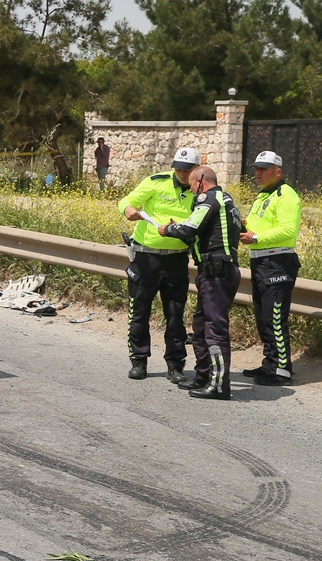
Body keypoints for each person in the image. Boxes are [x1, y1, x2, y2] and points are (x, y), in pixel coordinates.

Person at [117, 146, 201, 382]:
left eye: (188, 170)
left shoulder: (201, 190)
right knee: (139, 311)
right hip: (146, 256)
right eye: (179, 169)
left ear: (196, 170)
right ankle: (139, 361)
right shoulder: (156, 182)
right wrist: (129, 210)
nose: (183, 174)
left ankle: (175, 365)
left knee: (175, 314)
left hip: (177, 259)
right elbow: (126, 200)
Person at [160, 166, 243, 400]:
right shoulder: (228, 202)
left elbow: (191, 227)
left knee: (214, 331)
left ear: (201, 182)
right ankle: (203, 376)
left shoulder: (209, 197)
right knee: (199, 328)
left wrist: (167, 229)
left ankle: (218, 385)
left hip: (217, 272)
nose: (192, 192)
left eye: (193, 186)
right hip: (216, 271)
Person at [238, 151, 302, 386]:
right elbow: (257, 225)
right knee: (263, 316)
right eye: (256, 168)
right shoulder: (264, 195)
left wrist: (257, 238)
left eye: (264, 169)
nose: (258, 172)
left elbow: (288, 231)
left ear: (278, 171)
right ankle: (269, 364)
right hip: (260, 261)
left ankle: (282, 370)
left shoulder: (287, 196)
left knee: (275, 317)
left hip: (278, 262)